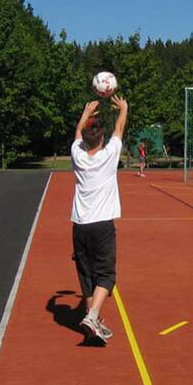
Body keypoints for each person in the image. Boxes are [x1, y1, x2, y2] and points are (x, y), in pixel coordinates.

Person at [71, 95, 128, 343]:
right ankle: (93, 315)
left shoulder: (77, 155)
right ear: (102, 140)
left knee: (86, 276)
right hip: (102, 225)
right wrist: (123, 109)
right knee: (106, 276)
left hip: (80, 226)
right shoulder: (109, 155)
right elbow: (119, 128)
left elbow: (77, 134)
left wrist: (86, 113)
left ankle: (90, 320)